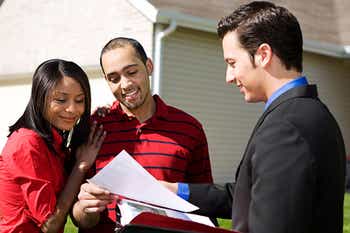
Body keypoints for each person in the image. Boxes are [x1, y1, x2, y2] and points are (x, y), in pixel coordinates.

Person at [162, 1, 347, 233]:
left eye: (232, 63)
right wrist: (174, 191)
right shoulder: (312, 112)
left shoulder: (285, 128)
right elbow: (248, 194)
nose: (229, 77)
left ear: (263, 55)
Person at [71, 37, 213, 232]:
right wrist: (86, 209)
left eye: (131, 72)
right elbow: (78, 217)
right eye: (114, 78)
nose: (125, 84)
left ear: (148, 66)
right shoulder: (93, 129)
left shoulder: (189, 128)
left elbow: (205, 205)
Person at [0, 59, 106, 233]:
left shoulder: (53, 142)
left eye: (79, 100)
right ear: (40, 98)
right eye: (61, 100)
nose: (72, 109)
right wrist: (81, 166)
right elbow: (50, 225)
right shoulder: (27, 142)